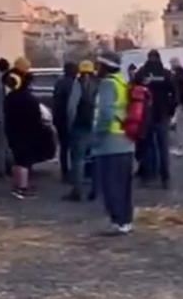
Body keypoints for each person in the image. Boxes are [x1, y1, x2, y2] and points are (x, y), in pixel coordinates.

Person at [91, 51, 135, 235]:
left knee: (111, 185)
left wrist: (97, 137)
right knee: (124, 185)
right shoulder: (121, 81)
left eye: (98, 65)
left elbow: (105, 114)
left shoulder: (107, 84)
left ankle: (118, 222)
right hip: (126, 140)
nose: (96, 69)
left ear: (105, 66)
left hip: (110, 142)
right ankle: (126, 220)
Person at [134, 50, 176, 189]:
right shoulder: (166, 73)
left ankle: (148, 176)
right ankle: (166, 178)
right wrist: (170, 110)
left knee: (147, 146)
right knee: (163, 147)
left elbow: (132, 89)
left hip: (145, 114)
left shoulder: (141, 73)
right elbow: (175, 94)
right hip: (162, 114)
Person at [3, 60, 44, 200]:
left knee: (17, 159)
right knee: (24, 161)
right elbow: (35, 116)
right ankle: (22, 188)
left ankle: (16, 186)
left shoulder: (9, 98)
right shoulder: (27, 99)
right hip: (26, 131)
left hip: (12, 130)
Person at [63, 60, 98, 201]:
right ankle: (96, 190)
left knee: (78, 160)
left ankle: (77, 191)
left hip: (80, 126)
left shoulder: (78, 84)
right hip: (96, 126)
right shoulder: (100, 83)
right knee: (95, 159)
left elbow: (72, 106)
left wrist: (70, 124)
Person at [52, 62, 79, 183]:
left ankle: (65, 172)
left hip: (59, 117)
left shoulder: (59, 83)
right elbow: (72, 103)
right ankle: (73, 172)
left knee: (63, 146)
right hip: (68, 117)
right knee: (73, 146)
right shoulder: (73, 84)